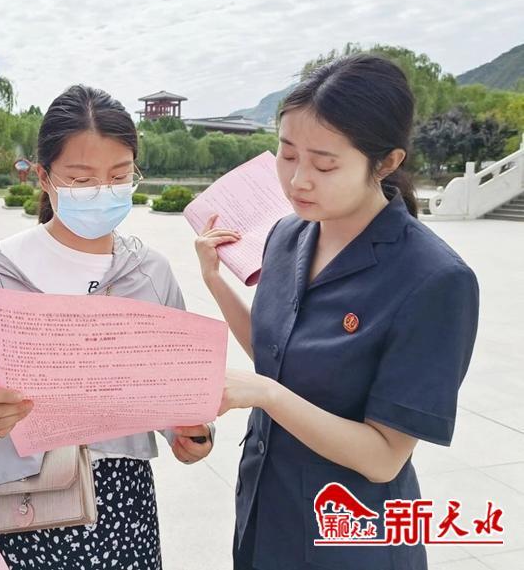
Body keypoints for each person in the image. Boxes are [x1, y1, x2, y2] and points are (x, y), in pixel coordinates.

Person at [195, 55, 479, 570]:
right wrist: (216, 281)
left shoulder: (434, 279)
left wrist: (265, 394)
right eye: (287, 155)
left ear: (386, 162)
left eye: (324, 165)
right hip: (266, 512)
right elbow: (275, 355)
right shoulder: (287, 235)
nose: (297, 181)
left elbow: (384, 456)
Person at [0, 85, 215, 570]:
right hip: (26, 505)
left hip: (125, 509)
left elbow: (177, 392)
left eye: (119, 176)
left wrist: (190, 433)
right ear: (44, 177)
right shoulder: (0, 272)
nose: (103, 192)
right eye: (82, 180)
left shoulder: (150, 273)